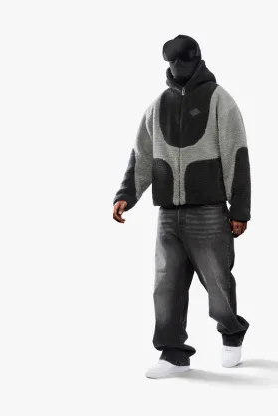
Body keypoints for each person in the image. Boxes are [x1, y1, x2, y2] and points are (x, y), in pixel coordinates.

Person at [112, 34, 251, 379]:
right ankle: (172, 353)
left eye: (183, 61)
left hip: (209, 213)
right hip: (168, 216)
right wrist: (126, 194)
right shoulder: (157, 106)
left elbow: (236, 155)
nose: (177, 68)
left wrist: (239, 210)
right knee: (166, 286)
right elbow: (142, 156)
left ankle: (231, 332)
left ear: (197, 60)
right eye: (172, 62)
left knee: (218, 284)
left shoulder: (220, 100)